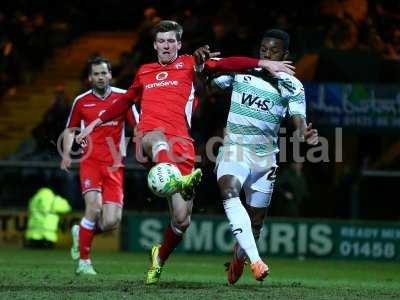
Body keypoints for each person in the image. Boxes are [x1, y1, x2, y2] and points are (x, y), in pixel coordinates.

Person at [76, 20, 294, 285]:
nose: (166, 46)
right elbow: (124, 101)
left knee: (181, 220)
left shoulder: (190, 64)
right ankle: (175, 177)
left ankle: (160, 255)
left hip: (182, 145)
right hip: (149, 137)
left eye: (171, 41)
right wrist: (96, 123)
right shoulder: (144, 72)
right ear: (155, 45)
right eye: (161, 41)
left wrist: (263, 64)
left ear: (178, 44)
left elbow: (227, 64)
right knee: (157, 139)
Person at [211, 29, 318, 283]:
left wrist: (304, 132)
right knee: (228, 190)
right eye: (263, 50)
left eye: (273, 51)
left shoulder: (291, 84)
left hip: (265, 158)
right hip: (234, 148)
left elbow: (298, 118)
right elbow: (210, 82)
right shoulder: (242, 72)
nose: (267, 54)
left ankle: (239, 255)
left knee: (255, 222)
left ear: (285, 54)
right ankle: (256, 261)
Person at [60, 57, 137, 275]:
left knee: (112, 221)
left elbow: (138, 127)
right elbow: (70, 130)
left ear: (110, 75)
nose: (100, 77)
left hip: (115, 165)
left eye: (104, 73)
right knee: (93, 208)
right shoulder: (81, 101)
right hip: (90, 161)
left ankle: (82, 232)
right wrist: (66, 154)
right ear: (89, 77)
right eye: (96, 74)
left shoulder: (124, 98)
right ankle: (84, 262)